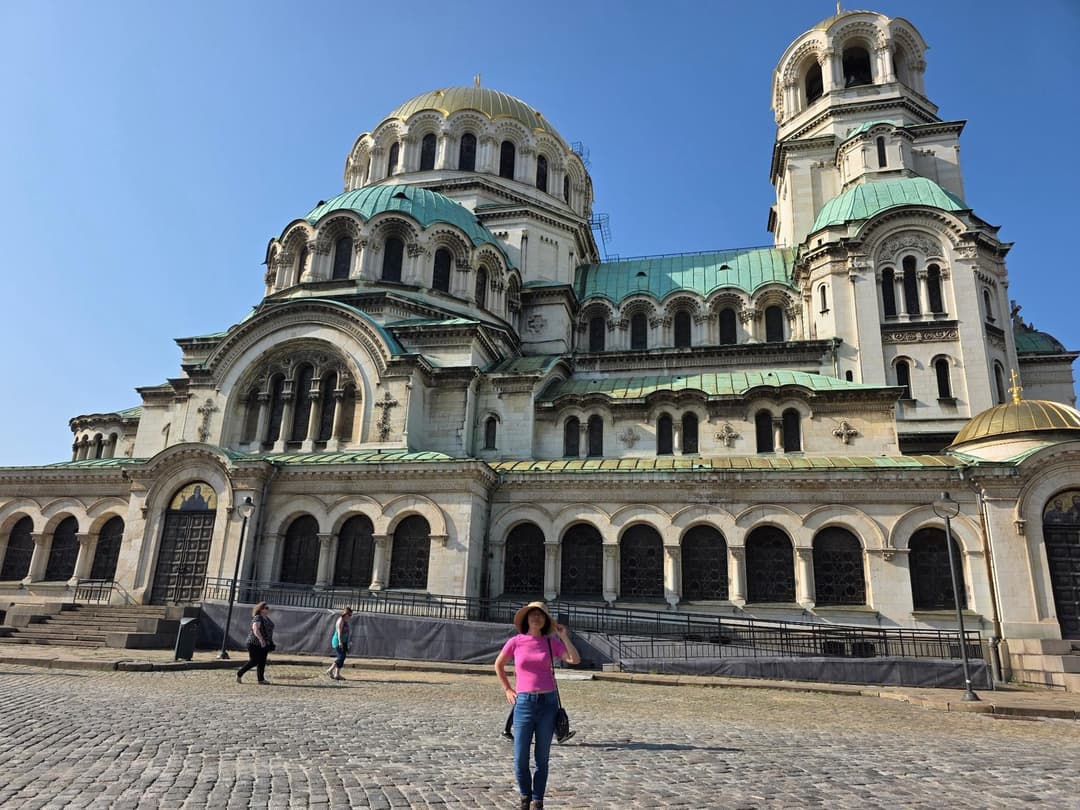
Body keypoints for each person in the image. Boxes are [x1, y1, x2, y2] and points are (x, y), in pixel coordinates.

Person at [494, 601, 581, 810]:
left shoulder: (551, 643)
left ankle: (537, 800)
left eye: (541, 615)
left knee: (542, 758)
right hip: (524, 703)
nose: (537, 618)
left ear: (545, 621)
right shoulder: (516, 642)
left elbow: (574, 659)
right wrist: (507, 689)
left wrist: (563, 636)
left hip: (548, 704)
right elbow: (498, 664)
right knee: (520, 758)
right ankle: (525, 795)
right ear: (526, 619)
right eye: (533, 614)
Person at [236, 602, 274, 685]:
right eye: (266, 608)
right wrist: (261, 640)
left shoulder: (266, 618)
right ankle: (240, 673)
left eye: (268, 608)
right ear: (261, 609)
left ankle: (261, 679)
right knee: (254, 661)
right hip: (254, 643)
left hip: (265, 644)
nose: (268, 609)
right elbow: (255, 629)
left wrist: (268, 642)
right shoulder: (258, 618)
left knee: (262, 662)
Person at [326, 607, 352, 681]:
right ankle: (330, 670)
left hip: (344, 641)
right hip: (338, 641)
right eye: (349, 615)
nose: (350, 617)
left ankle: (337, 674)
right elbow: (339, 633)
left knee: (342, 657)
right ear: (345, 614)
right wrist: (340, 642)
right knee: (341, 656)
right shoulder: (340, 621)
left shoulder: (345, 620)